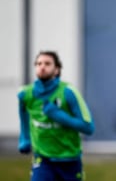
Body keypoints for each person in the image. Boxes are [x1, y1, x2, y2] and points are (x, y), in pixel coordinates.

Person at [17, 51, 95, 181]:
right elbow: (23, 115)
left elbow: (88, 127)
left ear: (56, 69)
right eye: (38, 63)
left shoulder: (68, 92)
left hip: (69, 160)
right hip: (43, 159)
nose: (42, 67)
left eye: (47, 64)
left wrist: (59, 116)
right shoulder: (26, 94)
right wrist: (24, 138)